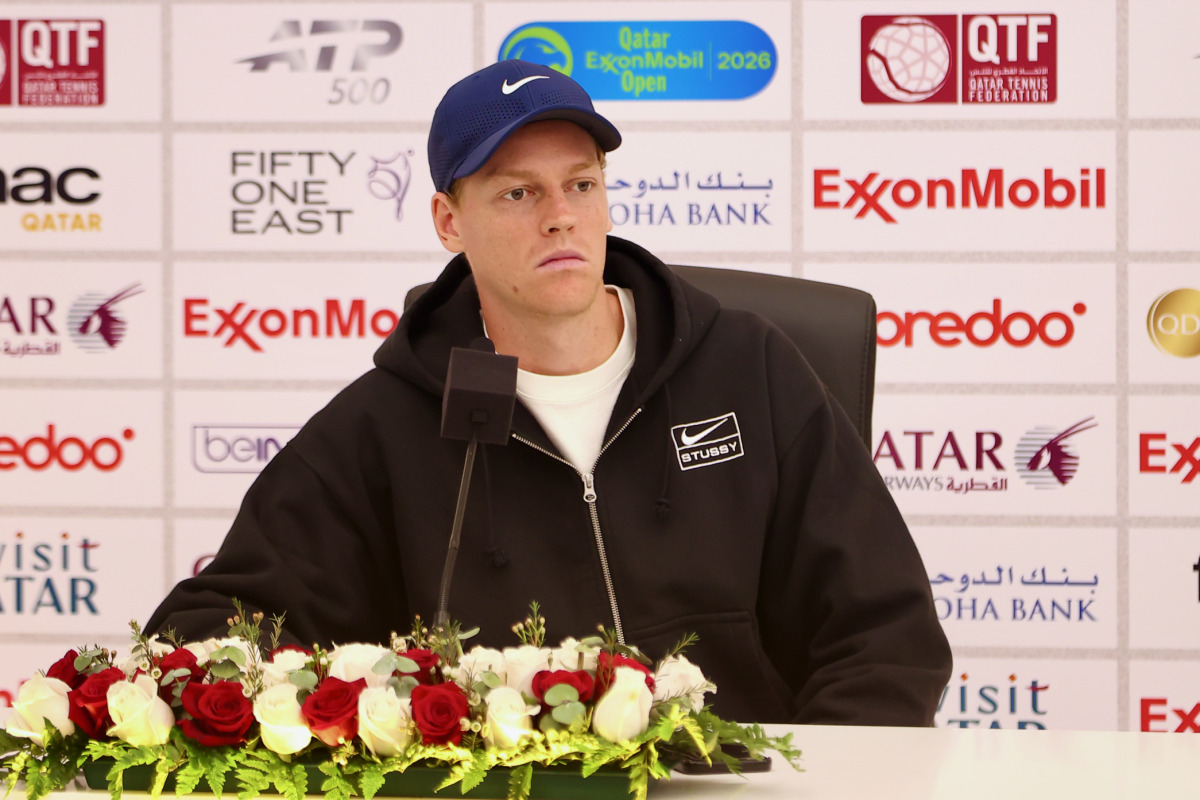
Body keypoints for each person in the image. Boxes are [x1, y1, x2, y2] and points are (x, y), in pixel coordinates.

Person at [147, 60, 952, 725]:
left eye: (581, 184)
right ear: (448, 221)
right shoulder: (384, 422)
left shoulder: (751, 368)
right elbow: (209, 636)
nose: (561, 218)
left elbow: (886, 637)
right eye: (517, 193)